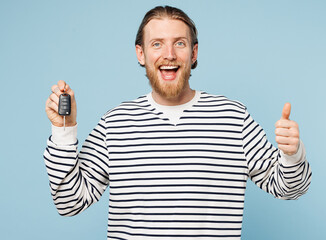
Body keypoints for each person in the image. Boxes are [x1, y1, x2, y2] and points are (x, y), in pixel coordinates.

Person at [44, 5, 311, 240]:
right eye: (157, 43)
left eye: (180, 43)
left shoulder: (234, 117)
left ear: (194, 53)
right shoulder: (115, 123)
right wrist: (63, 132)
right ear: (141, 54)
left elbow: (289, 188)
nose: (169, 54)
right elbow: (69, 203)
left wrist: (291, 154)